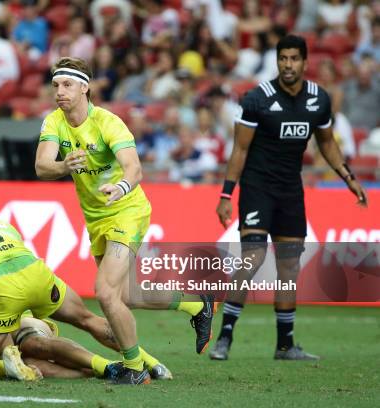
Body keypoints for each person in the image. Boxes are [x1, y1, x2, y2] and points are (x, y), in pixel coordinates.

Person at [35, 57, 215, 384]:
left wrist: (120, 186)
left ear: (85, 88)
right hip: (96, 218)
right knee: (126, 295)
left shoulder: (109, 123)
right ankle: (195, 303)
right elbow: (42, 166)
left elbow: (134, 168)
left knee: (105, 292)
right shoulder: (53, 123)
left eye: (67, 85)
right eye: (56, 85)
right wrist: (64, 167)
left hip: (127, 210)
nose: (59, 92)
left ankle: (134, 369)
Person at [211, 35, 368, 361]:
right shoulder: (257, 99)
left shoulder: (318, 99)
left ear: (305, 62)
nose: (288, 64)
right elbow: (239, 149)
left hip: (290, 192)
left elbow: (326, 143)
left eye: (294, 58)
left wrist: (349, 178)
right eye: (283, 58)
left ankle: (285, 345)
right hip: (257, 189)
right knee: (252, 259)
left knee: (289, 266)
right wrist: (227, 194)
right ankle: (225, 335)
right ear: (278, 61)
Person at [0, 195, 171, 382]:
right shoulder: (3, 226)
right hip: (40, 275)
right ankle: (149, 363)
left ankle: (5, 366)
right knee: (87, 318)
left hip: (2, 291)